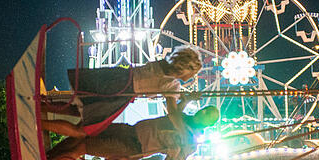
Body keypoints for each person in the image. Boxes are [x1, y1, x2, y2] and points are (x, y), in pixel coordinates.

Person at [43, 46, 202, 137]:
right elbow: (173, 113)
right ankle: (40, 124)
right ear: (184, 69)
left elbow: (172, 108)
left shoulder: (161, 64)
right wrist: (185, 134)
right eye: (193, 73)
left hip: (118, 77)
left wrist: (186, 100)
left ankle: (42, 107)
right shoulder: (171, 84)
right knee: (85, 130)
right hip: (122, 93)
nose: (193, 77)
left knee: (79, 108)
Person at [46, 104, 218, 160]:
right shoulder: (183, 116)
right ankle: (48, 155)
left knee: (85, 146)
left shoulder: (192, 143)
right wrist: (185, 100)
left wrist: (173, 155)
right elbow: (172, 107)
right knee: (85, 132)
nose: (202, 113)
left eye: (206, 116)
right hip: (130, 129)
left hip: (133, 147)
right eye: (204, 110)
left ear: (208, 124)